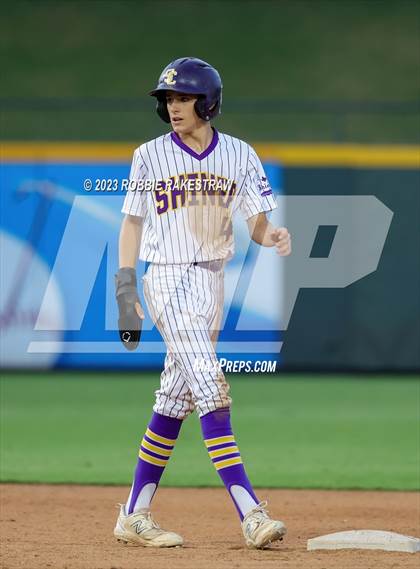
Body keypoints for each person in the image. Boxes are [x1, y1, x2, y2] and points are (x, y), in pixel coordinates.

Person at [114, 57, 291, 550]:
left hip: (213, 283)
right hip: (166, 279)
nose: (173, 106)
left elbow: (256, 222)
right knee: (211, 386)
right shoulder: (149, 155)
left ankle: (134, 514)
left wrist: (271, 233)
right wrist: (126, 286)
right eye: (168, 98)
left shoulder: (238, 154)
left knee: (175, 398)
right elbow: (132, 222)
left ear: (207, 101)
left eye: (183, 97)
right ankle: (251, 513)